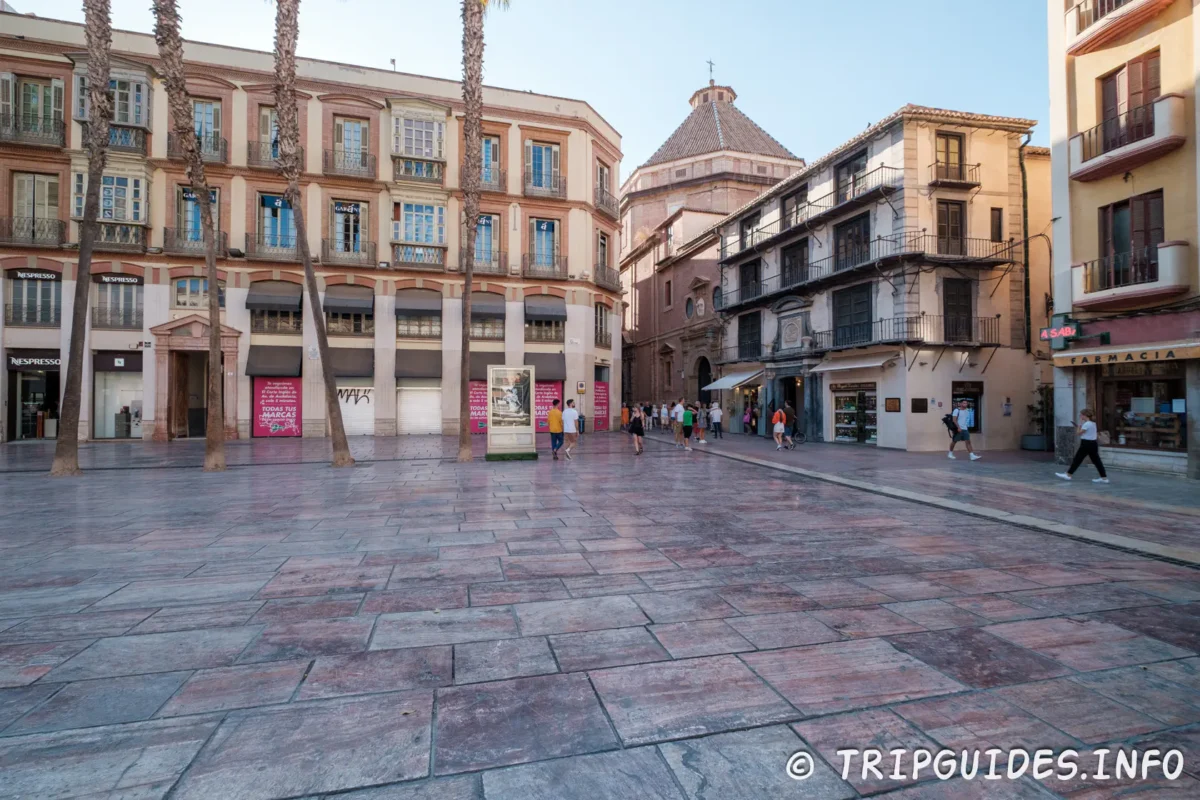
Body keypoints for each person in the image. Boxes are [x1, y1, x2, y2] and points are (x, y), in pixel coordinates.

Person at [1057, 409, 1109, 483]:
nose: (1080, 416)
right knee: (1097, 461)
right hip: (1093, 444)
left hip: (1086, 444)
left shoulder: (1087, 424)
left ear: (1085, 415)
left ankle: (1068, 474)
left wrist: (1079, 425)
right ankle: (1104, 478)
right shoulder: (1093, 423)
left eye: (1081, 415)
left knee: (1078, 459)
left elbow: (1078, 433)